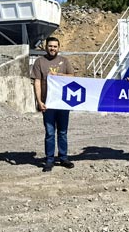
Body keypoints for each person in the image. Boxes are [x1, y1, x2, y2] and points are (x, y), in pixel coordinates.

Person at [31, 36, 75, 172]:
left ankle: (63, 158)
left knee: (63, 132)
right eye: (50, 46)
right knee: (50, 133)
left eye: (55, 46)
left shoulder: (64, 61)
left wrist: (61, 75)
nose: (52, 48)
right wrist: (39, 101)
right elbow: (37, 82)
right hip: (48, 104)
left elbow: (72, 77)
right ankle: (49, 160)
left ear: (59, 48)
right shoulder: (39, 62)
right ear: (46, 47)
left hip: (62, 104)